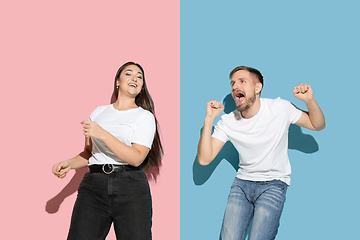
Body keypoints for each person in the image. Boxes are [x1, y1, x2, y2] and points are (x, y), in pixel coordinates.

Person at [197, 66, 325, 240]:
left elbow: (317, 125)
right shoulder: (228, 121)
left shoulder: (280, 108)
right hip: (241, 185)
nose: (235, 86)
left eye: (242, 81)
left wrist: (309, 101)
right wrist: (209, 119)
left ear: (258, 88)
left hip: (274, 185)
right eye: (233, 83)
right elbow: (205, 159)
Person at [52, 62, 163, 240]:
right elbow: (89, 153)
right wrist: (70, 163)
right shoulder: (98, 112)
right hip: (93, 187)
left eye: (139, 76)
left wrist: (102, 133)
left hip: (131, 188)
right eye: (128, 73)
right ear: (117, 81)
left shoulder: (145, 117)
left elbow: (136, 158)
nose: (134, 78)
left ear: (142, 87)